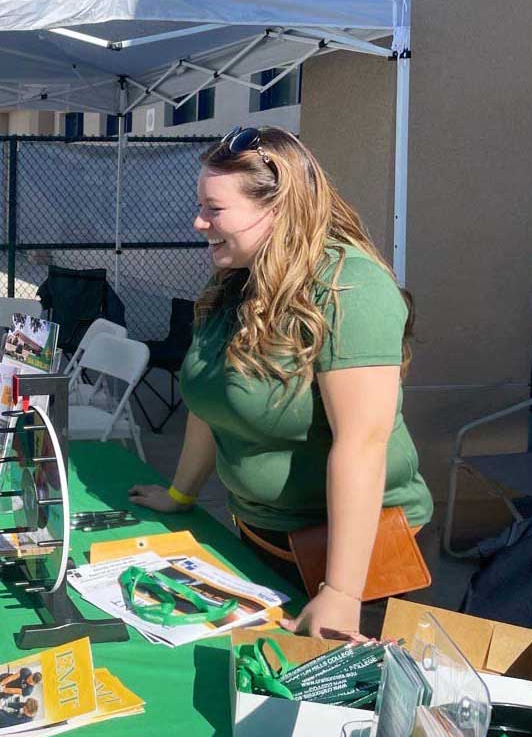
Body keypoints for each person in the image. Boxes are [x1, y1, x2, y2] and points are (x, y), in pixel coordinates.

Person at [128, 126, 433, 638]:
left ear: (277, 208)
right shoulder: (232, 280)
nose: (199, 222)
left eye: (214, 208)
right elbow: (209, 401)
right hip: (260, 542)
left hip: (360, 566)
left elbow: (363, 444)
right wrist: (181, 494)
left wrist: (340, 593)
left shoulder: (348, 287)